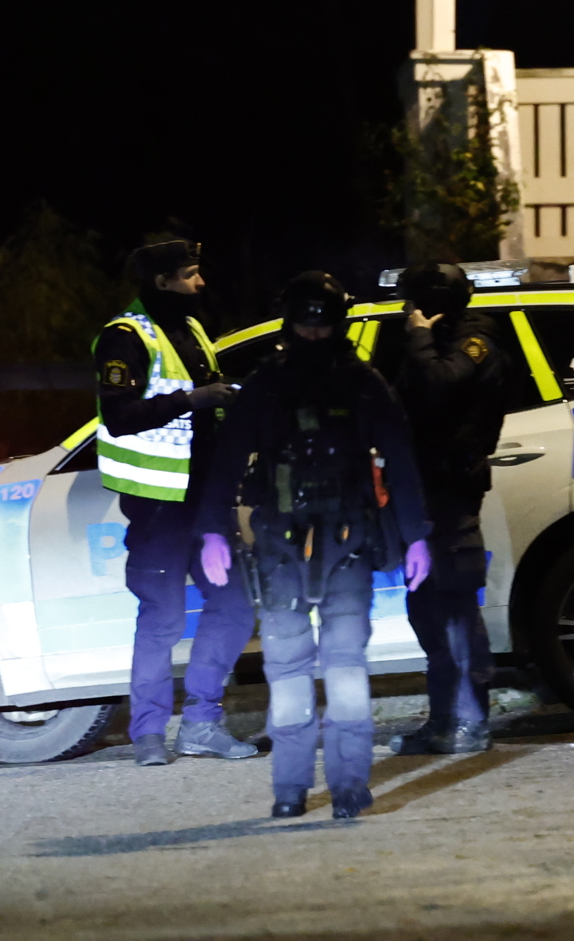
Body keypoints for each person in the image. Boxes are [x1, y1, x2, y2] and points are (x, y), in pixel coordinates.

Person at [196, 271, 432, 819]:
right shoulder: (266, 384)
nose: (315, 334)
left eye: (324, 324)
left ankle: (350, 783)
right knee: (286, 668)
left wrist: (417, 536)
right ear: (290, 321)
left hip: (347, 539)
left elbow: (399, 458)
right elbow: (228, 458)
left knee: (346, 666)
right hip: (281, 544)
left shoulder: (362, 381)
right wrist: (211, 530)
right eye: (306, 323)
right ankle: (290, 786)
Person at [93, 240, 259, 767]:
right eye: (190, 274)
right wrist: (192, 400)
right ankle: (147, 735)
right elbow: (119, 415)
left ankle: (201, 725)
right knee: (162, 618)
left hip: (206, 501)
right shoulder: (124, 337)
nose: (200, 282)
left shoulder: (189, 329)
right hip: (159, 506)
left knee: (233, 608)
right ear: (162, 281)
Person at [388, 263, 511, 756]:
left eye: (410, 302)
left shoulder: (476, 341)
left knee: (457, 605)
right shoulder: (431, 344)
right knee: (427, 607)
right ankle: (442, 719)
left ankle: (472, 720)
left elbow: (443, 383)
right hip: (419, 492)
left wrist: (419, 337)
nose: (404, 311)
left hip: (451, 490)